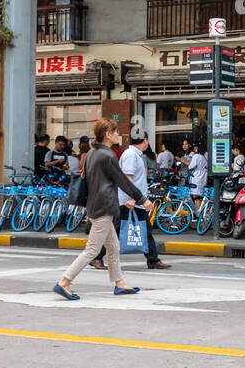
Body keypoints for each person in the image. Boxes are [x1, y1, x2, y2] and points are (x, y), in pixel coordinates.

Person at [52, 118, 148, 300]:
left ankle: (119, 283)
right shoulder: (108, 156)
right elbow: (123, 182)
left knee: (113, 247)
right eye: (116, 132)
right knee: (92, 250)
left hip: (96, 205)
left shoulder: (92, 153)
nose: (119, 135)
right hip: (103, 207)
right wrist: (143, 199)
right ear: (107, 135)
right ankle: (64, 282)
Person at [95, 132, 170, 271]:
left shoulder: (135, 155)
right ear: (145, 141)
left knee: (144, 229)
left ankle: (153, 259)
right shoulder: (131, 155)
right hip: (129, 202)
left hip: (135, 201)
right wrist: (132, 199)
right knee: (117, 231)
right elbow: (127, 178)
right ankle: (96, 256)